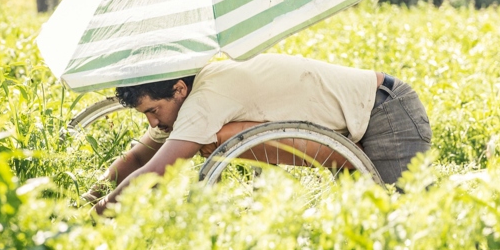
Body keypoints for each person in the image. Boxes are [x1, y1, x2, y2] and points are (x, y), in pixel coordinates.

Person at [85, 53, 432, 214]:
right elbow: (137, 157)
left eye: (152, 111)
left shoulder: (203, 101)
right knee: (368, 225)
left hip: (386, 111)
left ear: (178, 89)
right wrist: (87, 197)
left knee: (404, 220)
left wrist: (97, 212)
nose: (152, 123)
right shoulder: (189, 97)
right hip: (359, 119)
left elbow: (155, 173)